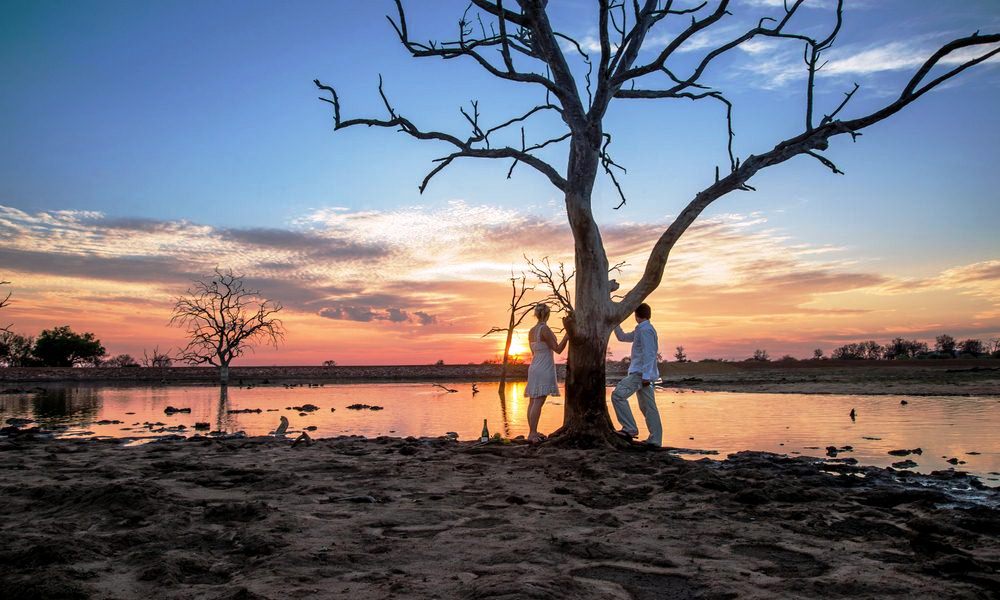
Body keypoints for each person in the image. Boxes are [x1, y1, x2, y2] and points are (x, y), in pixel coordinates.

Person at [611, 302, 663, 446]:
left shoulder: (645, 330)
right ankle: (655, 440)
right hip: (643, 374)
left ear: (636, 315)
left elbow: (649, 353)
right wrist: (615, 324)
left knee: (618, 395)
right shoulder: (642, 329)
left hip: (640, 374)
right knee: (648, 407)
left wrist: (646, 376)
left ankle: (630, 429)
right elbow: (622, 337)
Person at [524, 303, 568, 443]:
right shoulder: (545, 329)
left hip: (534, 366)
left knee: (533, 401)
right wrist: (568, 335)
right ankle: (532, 433)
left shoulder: (531, 331)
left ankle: (532, 431)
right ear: (548, 314)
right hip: (544, 367)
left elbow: (533, 351)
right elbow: (558, 349)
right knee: (539, 401)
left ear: (536, 315)